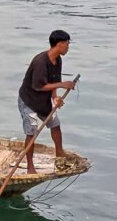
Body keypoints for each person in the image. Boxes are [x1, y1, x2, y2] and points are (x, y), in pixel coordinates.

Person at [18, 30, 75, 174]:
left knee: (55, 125)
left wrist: (55, 98)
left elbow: (53, 81)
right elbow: (38, 86)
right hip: (29, 101)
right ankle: (30, 166)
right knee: (31, 132)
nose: (68, 47)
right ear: (59, 44)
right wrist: (62, 85)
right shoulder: (40, 61)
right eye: (67, 44)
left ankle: (60, 155)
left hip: (43, 101)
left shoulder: (58, 60)